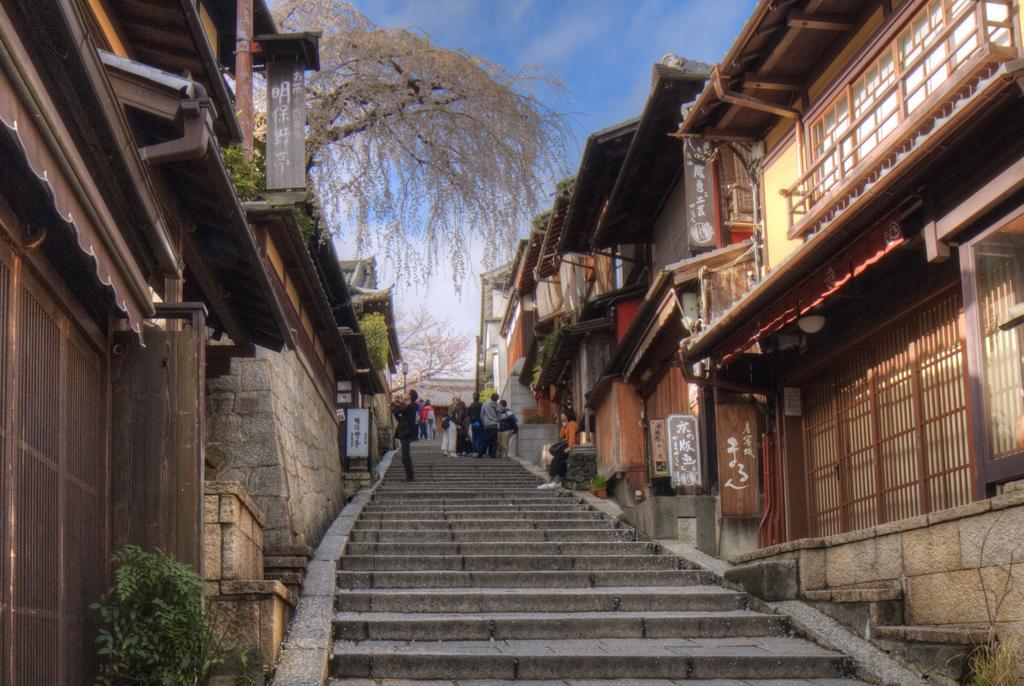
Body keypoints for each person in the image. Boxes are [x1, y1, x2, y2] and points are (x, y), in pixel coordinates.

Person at [538, 408, 578, 489]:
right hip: (565, 444)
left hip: (569, 445)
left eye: (562, 414)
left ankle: (553, 481)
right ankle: (555, 481)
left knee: (557, 458)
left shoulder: (572, 424)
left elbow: (572, 438)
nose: (561, 415)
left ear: (566, 415)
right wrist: (564, 426)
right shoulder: (568, 424)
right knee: (557, 458)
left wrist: (569, 448)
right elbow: (561, 436)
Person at [392, 390, 419, 482]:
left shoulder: (411, 406)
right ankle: (409, 475)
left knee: (406, 455)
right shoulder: (409, 406)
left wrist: (395, 403)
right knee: (404, 455)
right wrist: (398, 404)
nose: (404, 394)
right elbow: (398, 413)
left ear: (410, 396)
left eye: (407, 393)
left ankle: (410, 476)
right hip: (404, 430)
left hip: (406, 432)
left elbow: (398, 410)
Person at [477, 392, 501, 458]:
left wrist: (484, 422)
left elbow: (481, 415)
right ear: (497, 399)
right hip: (495, 425)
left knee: (484, 440)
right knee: (494, 441)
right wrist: (497, 421)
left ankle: (480, 454)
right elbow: (499, 416)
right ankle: (493, 454)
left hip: (487, 425)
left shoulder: (485, 404)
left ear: (491, 397)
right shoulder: (498, 406)